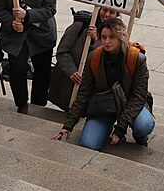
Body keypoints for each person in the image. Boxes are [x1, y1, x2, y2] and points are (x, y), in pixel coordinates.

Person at [52, 17, 155, 148]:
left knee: (144, 125)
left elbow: (138, 96)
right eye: (104, 37)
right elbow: (84, 93)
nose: (107, 41)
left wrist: (121, 128)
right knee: (89, 143)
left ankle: (140, 137)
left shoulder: (136, 58)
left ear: (120, 37)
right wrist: (68, 125)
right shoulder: (94, 57)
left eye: (112, 37)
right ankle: (106, 127)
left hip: (131, 103)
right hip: (104, 105)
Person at [49, 7, 120, 111]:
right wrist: (72, 72)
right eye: (104, 10)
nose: (107, 14)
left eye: (112, 12)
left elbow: (111, 58)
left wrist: (97, 40)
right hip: (71, 83)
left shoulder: (117, 33)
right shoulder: (80, 25)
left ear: (117, 15)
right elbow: (62, 51)